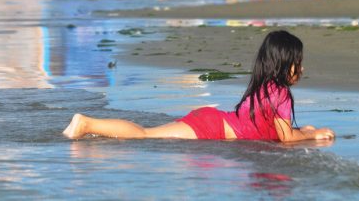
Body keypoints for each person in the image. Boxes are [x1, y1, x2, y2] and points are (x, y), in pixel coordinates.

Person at [62, 30, 335, 143]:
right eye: (297, 63)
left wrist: (305, 130)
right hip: (210, 128)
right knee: (145, 135)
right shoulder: (282, 94)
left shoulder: (265, 87)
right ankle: (86, 124)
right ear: (285, 63)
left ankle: (85, 125)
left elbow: (277, 130)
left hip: (210, 119)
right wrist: (314, 134)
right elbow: (286, 139)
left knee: (148, 133)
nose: (301, 68)